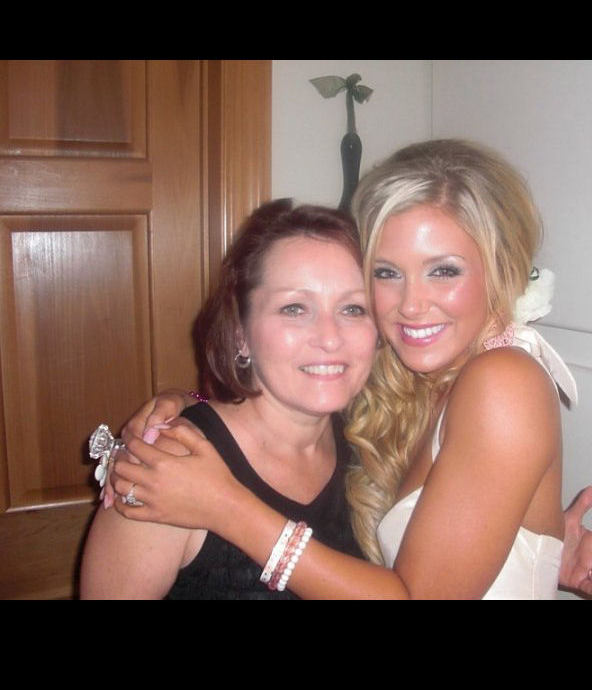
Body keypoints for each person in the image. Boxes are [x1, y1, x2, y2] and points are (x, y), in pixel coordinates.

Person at [105, 139, 592, 599]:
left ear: (500, 269)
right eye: (387, 274)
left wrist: (225, 505)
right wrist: (185, 407)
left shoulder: (503, 382)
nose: (411, 306)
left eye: (444, 270)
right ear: (239, 328)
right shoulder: (398, 397)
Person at [81, 201, 377, 598]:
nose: (330, 337)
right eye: (294, 308)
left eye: (353, 308)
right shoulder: (164, 466)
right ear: (240, 333)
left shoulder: (372, 438)